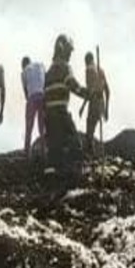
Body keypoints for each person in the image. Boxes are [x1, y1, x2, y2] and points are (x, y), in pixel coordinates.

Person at [43, 34, 90, 177]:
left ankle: (51, 179)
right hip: (61, 114)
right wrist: (86, 93)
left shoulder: (48, 72)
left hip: (49, 117)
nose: (70, 55)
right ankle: (73, 175)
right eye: (69, 51)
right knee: (76, 145)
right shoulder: (65, 67)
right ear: (63, 50)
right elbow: (73, 86)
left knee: (54, 152)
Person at [83, 52, 110, 155]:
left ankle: (91, 156)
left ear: (87, 61)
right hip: (101, 102)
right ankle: (93, 155)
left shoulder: (89, 70)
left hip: (94, 101)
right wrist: (106, 109)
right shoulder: (101, 70)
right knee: (92, 129)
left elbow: (90, 90)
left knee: (89, 130)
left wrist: (83, 106)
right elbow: (107, 90)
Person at [21, 56, 46, 156]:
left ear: (23, 65)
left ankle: (27, 151)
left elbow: (26, 92)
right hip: (43, 96)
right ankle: (44, 150)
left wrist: (29, 101)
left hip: (32, 97)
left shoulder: (24, 72)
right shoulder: (40, 64)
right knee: (42, 126)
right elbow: (45, 80)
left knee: (29, 125)